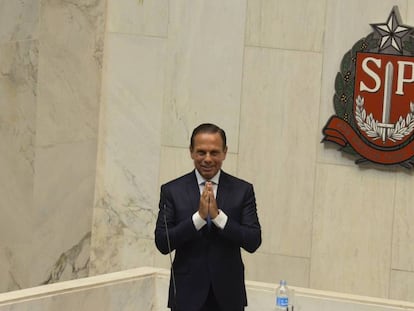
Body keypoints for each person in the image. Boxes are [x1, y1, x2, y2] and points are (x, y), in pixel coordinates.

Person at [155, 123, 262, 311]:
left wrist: (219, 218)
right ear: (191, 152)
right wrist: (199, 218)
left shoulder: (242, 190)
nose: (207, 159)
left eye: (214, 152)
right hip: (186, 296)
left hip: (228, 296)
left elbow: (253, 241)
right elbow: (163, 243)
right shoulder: (172, 190)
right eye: (201, 152)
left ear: (225, 152)